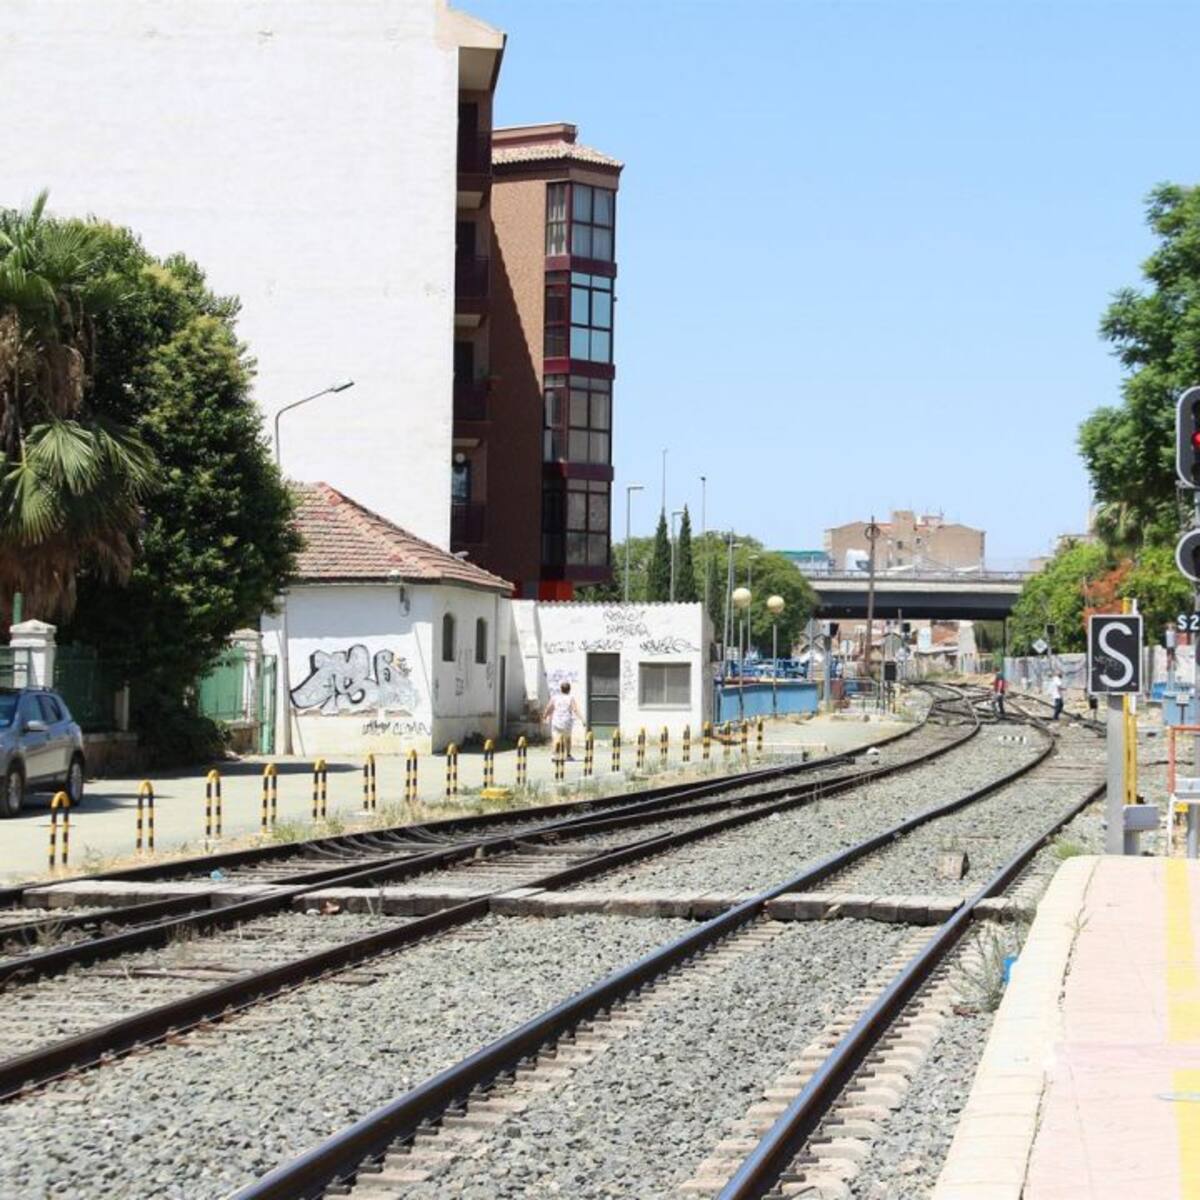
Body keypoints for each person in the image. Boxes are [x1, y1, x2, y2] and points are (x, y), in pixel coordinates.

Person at [543, 680, 583, 760]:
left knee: (555, 738)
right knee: (567, 738)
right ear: (569, 689)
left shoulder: (555, 697)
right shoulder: (570, 698)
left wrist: (544, 716)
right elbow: (574, 709)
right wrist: (582, 719)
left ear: (561, 689)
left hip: (556, 721)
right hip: (566, 721)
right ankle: (568, 755)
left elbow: (549, 708)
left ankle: (554, 754)